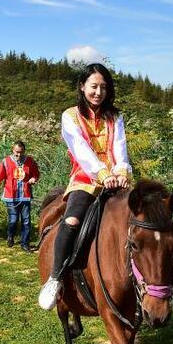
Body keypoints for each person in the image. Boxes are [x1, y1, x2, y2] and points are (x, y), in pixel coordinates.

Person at [38, 62, 132, 311]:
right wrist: (102, 173)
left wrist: (122, 171)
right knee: (71, 221)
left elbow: (120, 148)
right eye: (93, 86)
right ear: (82, 87)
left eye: (103, 87)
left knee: (143, 219)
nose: (98, 92)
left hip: (115, 180)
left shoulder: (115, 117)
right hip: (86, 180)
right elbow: (80, 150)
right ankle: (55, 277)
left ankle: (150, 283)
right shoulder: (70, 116)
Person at [0, 141, 40, 252]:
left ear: (24, 151)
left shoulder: (30, 161)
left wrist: (34, 178)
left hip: (25, 196)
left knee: (26, 221)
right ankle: (10, 235)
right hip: (11, 196)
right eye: (17, 152)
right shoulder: (6, 162)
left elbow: (36, 173)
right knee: (13, 220)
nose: (19, 155)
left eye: (21, 152)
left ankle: (25, 244)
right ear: (13, 150)